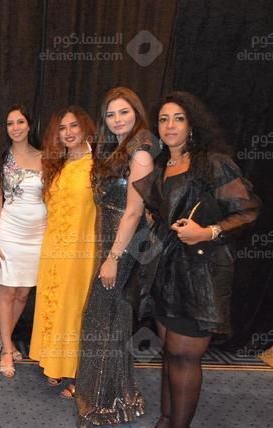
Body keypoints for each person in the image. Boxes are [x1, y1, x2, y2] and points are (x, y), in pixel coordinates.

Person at [133, 92, 260, 428]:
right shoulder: (162, 165)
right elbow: (161, 210)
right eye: (163, 119)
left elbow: (248, 211)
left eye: (178, 118)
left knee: (185, 356)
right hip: (166, 274)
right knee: (170, 352)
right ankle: (166, 419)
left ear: (191, 124)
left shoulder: (213, 163)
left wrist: (208, 232)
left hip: (200, 276)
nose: (170, 125)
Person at [75, 87, 156, 426]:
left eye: (124, 112)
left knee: (102, 316)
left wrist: (113, 258)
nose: (117, 119)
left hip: (122, 244)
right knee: (111, 317)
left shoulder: (140, 153)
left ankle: (106, 401)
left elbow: (134, 212)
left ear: (136, 113)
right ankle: (115, 395)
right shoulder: (116, 150)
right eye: (110, 114)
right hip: (110, 239)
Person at [28, 106, 97, 397]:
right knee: (53, 304)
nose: (68, 133)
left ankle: (82, 374)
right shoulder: (57, 164)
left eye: (73, 126)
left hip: (82, 251)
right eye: (62, 128)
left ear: (85, 128)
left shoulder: (98, 165)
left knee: (75, 309)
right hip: (53, 249)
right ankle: (55, 363)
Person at [0, 105, 44, 378]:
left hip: (38, 235)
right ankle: (7, 350)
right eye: (10, 123)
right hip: (9, 233)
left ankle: (5, 337)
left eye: (20, 122)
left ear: (29, 124)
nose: (16, 127)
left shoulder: (46, 157)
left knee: (23, 293)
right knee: (7, 292)